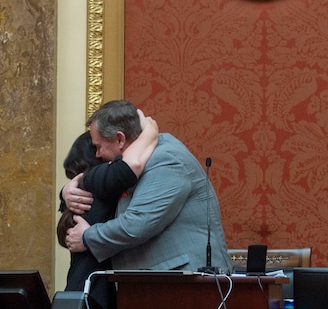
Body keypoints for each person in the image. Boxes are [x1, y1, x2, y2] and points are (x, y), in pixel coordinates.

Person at [63, 99, 232, 274]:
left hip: (188, 284)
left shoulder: (166, 159)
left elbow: (137, 224)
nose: (97, 154)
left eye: (98, 147)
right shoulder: (142, 159)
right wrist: (66, 192)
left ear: (120, 139)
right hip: (159, 282)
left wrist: (87, 237)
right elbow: (101, 181)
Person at [57, 113, 159, 309]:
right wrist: (150, 132)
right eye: (95, 147)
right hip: (94, 294)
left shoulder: (87, 184)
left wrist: (63, 193)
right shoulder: (97, 178)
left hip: (81, 288)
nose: (99, 153)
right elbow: (129, 168)